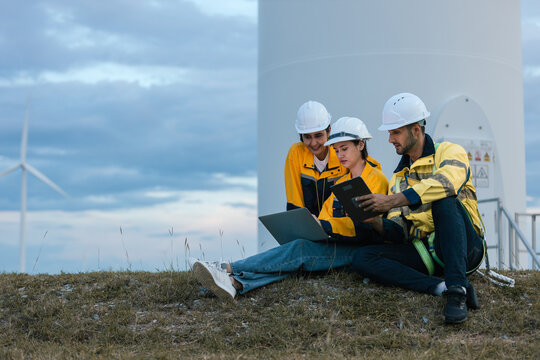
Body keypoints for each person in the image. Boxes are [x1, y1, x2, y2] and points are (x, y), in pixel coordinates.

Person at [191, 117, 389, 300]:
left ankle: (226, 268)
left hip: (362, 251)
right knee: (297, 255)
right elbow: (326, 216)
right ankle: (236, 283)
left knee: (299, 250)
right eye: (336, 150)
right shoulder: (342, 182)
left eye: (344, 149)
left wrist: (325, 225)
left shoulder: (375, 178)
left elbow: (365, 227)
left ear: (361, 144)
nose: (339, 155)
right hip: (340, 244)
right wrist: (316, 225)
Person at [351, 92, 486, 324]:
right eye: (390, 133)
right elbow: (400, 229)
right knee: (363, 257)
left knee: (445, 199)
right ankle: (439, 287)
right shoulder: (398, 177)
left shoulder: (450, 151)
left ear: (416, 130)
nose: (390, 139)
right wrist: (375, 221)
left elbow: (447, 184)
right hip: (427, 252)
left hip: (466, 248)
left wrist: (393, 200)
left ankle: (457, 291)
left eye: (395, 132)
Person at [284, 100, 346, 216]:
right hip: (309, 227)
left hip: (338, 228)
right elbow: (294, 202)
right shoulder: (296, 153)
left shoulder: (342, 153)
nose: (313, 143)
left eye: (318, 135)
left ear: (329, 131)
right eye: (307, 137)